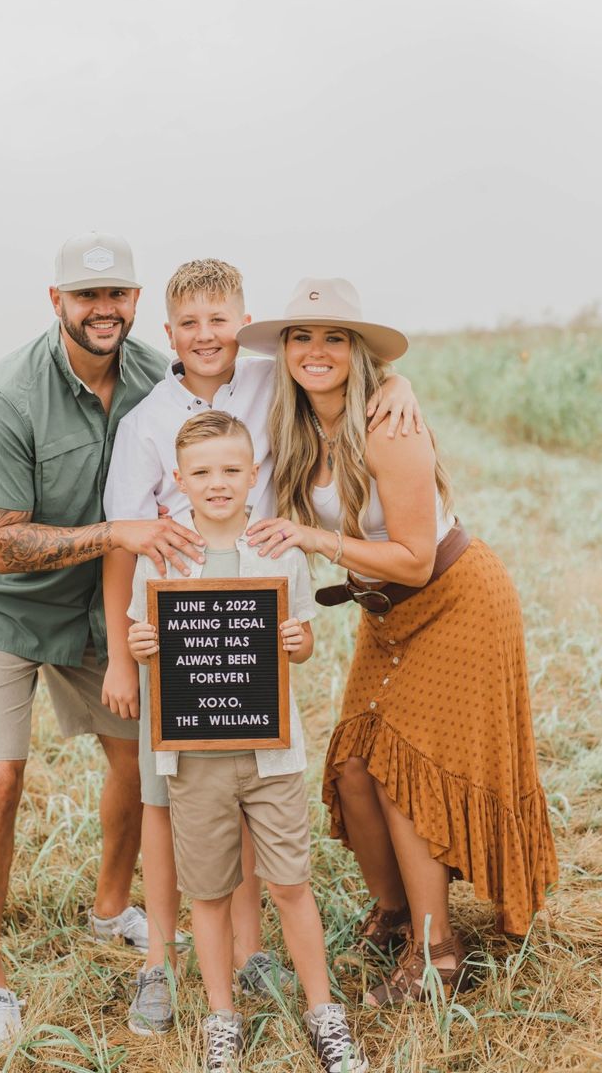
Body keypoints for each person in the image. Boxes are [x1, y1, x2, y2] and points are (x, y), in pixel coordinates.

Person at [101, 258, 419, 1034]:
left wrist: (397, 386)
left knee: (244, 776)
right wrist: (121, 652)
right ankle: (159, 963)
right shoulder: (147, 420)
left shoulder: (272, 382)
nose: (208, 336)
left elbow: (337, 375)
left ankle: (253, 957)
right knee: (166, 793)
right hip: (171, 618)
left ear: (241, 323)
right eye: (191, 324)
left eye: (221, 321)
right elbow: (123, 543)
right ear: (168, 333)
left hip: (253, 607)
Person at [238, 277, 559, 1006]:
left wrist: (313, 536)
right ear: (284, 349)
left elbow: (415, 556)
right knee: (353, 767)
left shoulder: (388, 425)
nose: (315, 350)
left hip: (454, 600)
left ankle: (436, 952)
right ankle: (393, 916)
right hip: (386, 615)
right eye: (301, 336)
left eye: (334, 337)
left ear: (357, 351)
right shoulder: (293, 423)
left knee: (403, 771)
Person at [0, 232, 206, 1050]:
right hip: (5, 607)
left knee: (137, 761)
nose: (105, 310)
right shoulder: (7, 395)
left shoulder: (149, 375)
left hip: (103, 605)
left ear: (135, 302)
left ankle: (109, 910)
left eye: (119, 295)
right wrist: (116, 531)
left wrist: (393, 381)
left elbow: (254, 381)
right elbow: (0, 544)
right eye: (88, 296)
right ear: (56, 303)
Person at [127, 410, 368, 1073]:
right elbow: (140, 638)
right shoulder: (163, 557)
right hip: (193, 759)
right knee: (207, 893)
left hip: (270, 756)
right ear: (179, 480)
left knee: (290, 882)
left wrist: (301, 642)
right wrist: (142, 645)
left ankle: (324, 1013)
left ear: (253, 474)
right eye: (203, 473)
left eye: (232, 470)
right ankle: (221, 1019)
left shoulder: (279, 552)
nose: (218, 482)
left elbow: (302, 640)